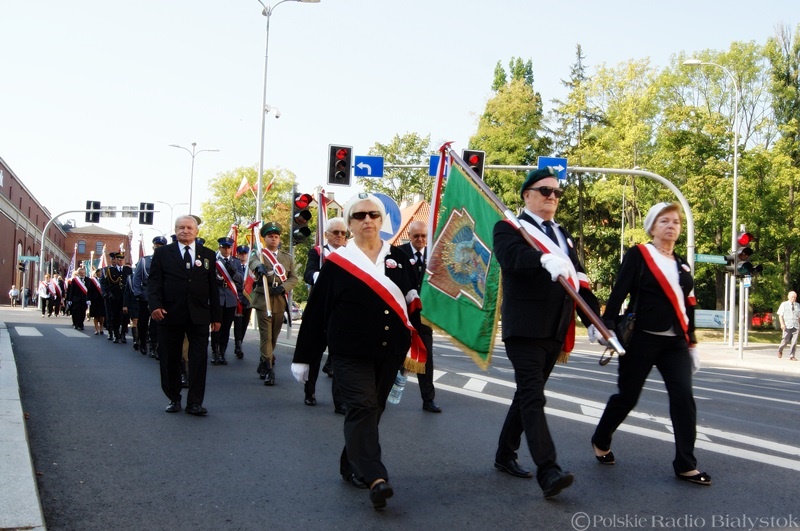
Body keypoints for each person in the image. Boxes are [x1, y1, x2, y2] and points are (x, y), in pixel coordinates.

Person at [291, 192, 427, 511]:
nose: (367, 220)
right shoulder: (338, 264)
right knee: (362, 406)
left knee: (372, 410)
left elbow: (412, 302)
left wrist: (414, 346)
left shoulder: (398, 257)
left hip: (389, 351)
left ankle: (350, 464)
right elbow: (317, 313)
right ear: (350, 224)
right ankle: (375, 477)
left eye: (373, 215)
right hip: (349, 352)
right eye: (360, 215)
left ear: (381, 221)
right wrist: (304, 357)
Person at [492, 167, 601, 498]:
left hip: (555, 329)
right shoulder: (509, 227)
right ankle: (548, 470)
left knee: (527, 394)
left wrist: (595, 321)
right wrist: (542, 259)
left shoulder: (562, 234)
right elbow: (510, 258)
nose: (552, 196)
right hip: (524, 328)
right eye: (545, 191)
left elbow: (579, 279)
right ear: (527, 195)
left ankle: (504, 454)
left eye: (556, 192)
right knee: (533, 396)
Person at [591, 202, 710, 486]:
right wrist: (606, 326)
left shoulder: (682, 264)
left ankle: (686, 464)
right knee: (628, 397)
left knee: (683, 399)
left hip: (675, 343)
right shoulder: (639, 255)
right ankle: (601, 438)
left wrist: (692, 343)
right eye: (664, 221)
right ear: (652, 227)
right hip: (641, 337)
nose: (671, 226)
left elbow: (689, 306)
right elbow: (619, 291)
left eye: (676, 222)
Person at [148, 215, 221, 416]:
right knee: (169, 358)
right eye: (181, 227)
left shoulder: (207, 255)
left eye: (189, 228)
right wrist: (155, 306)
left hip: (199, 315)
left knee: (198, 360)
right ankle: (174, 397)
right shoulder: (163, 253)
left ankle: (195, 403)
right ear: (175, 230)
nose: (185, 231)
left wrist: (216, 317)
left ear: (196, 231)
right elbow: (154, 283)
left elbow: (212, 287)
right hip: (169, 314)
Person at [303, 216, 348, 411]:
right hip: (320, 308)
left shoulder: (350, 254)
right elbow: (308, 274)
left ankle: (340, 401)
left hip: (341, 311)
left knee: (339, 356)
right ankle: (310, 391)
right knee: (314, 353)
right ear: (327, 234)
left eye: (343, 233)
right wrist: (321, 276)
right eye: (335, 232)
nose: (339, 236)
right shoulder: (317, 252)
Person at [248, 221, 298, 386]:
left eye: (276, 236)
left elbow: (293, 278)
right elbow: (252, 261)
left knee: (274, 336)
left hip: (279, 298)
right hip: (264, 297)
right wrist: (259, 267)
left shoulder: (286, 257)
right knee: (266, 336)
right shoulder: (259, 254)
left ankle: (264, 361)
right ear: (265, 238)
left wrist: (284, 287)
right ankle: (269, 369)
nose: (273, 239)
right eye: (270, 236)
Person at [399, 220, 441, 413]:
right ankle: (381, 393)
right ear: (409, 236)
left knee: (426, 359)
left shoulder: (434, 256)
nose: (420, 239)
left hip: (424, 316)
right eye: (416, 236)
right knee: (394, 355)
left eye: (424, 236)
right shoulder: (398, 253)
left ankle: (428, 399)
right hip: (401, 315)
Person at [133, 236, 168, 358]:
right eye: (156, 246)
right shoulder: (144, 261)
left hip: (159, 296)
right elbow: (137, 278)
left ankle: (154, 346)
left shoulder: (167, 261)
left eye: (161, 247)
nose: (158, 248)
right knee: (142, 322)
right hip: (145, 295)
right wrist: (137, 293)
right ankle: (142, 341)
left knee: (156, 323)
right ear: (153, 247)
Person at [210, 236, 243, 366]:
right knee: (216, 326)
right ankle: (215, 352)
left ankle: (222, 353)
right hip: (217, 296)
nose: (226, 250)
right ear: (219, 248)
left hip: (230, 297)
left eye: (228, 247)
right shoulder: (213, 259)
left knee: (226, 327)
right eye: (224, 247)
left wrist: (233, 272)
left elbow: (241, 280)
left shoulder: (235, 262)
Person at [102, 252, 132, 343]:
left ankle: (123, 334)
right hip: (115, 297)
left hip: (125, 297)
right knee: (115, 316)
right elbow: (106, 284)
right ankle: (116, 334)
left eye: (122, 260)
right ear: (116, 260)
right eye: (119, 260)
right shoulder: (110, 270)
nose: (120, 261)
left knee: (125, 317)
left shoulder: (128, 270)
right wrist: (108, 293)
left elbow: (131, 283)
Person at [232, 245, 252, 359]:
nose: (243, 255)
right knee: (238, 322)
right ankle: (238, 345)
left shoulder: (251, 266)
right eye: (241, 253)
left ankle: (240, 342)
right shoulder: (234, 265)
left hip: (248, 298)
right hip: (237, 296)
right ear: (238, 254)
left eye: (245, 253)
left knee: (244, 323)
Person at [776, 291, 799, 360]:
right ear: (788, 297)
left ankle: (792, 356)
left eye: (795, 297)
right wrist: (782, 324)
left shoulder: (798, 305)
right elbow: (780, 315)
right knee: (785, 340)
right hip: (787, 325)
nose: (793, 298)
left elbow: (799, 316)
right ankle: (780, 350)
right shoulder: (784, 304)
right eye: (792, 297)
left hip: (796, 326)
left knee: (794, 342)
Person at [87, 268, 106, 335]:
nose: (100, 273)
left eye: (101, 272)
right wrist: (88, 299)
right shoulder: (92, 280)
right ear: (96, 273)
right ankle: (96, 330)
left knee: (102, 316)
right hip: (94, 300)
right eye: (99, 272)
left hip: (102, 299)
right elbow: (89, 290)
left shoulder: (104, 280)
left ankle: (101, 328)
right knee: (95, 315)